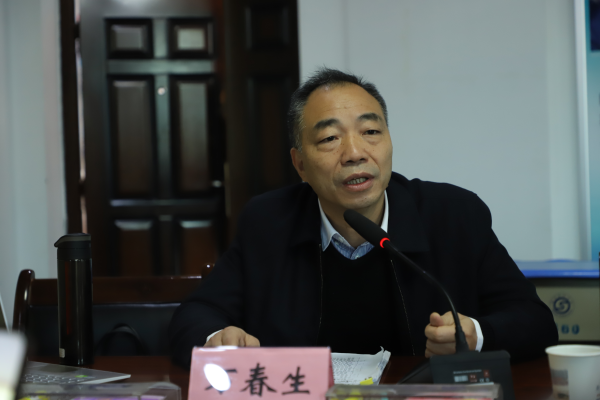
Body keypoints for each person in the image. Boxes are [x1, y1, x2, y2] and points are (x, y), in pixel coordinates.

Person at [168, 68, 557, 367]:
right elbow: (195, 316)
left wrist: (477, 336)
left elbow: (536, 322)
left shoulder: (453, 214)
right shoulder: (268, 221)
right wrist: (220, 338)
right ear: (300, 164)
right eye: (329, 138)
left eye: (371, 131)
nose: (355, 153)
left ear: (389, 141)